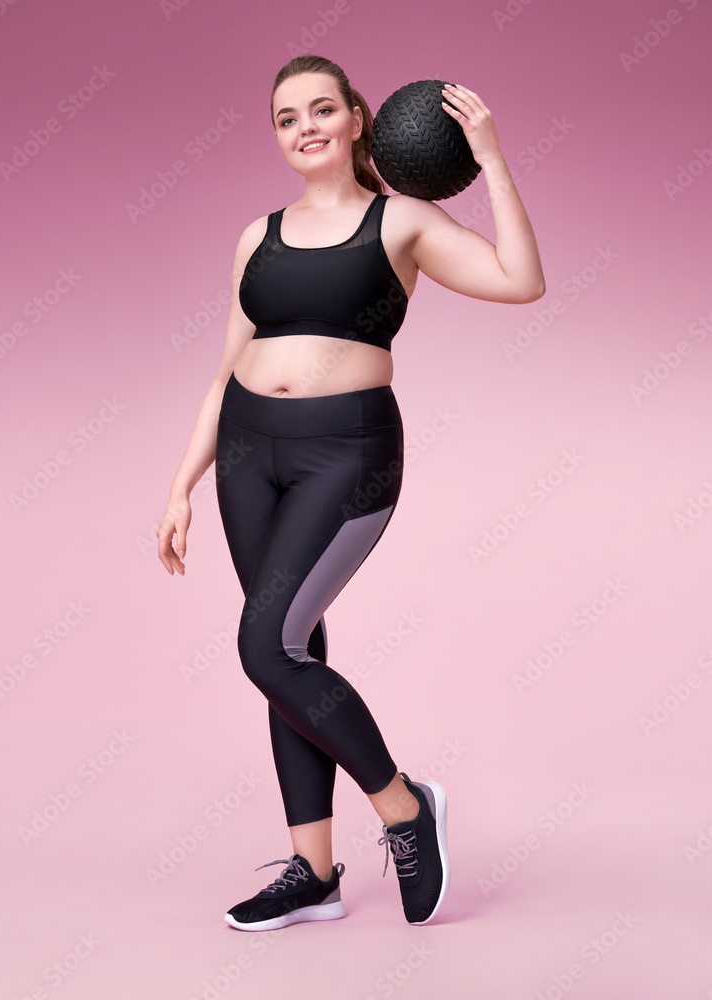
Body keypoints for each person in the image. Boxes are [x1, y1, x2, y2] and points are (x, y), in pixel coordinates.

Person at [157, 54, 545, 931]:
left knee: (267, 646)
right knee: (292, 658)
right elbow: (226, 368)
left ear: (359, 117)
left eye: (321, 108)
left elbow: (522, 282)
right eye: (287, 117)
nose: (306, 127)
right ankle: (315, 873)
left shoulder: (402, 221)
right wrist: (182, 482)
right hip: (249, 452)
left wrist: (490, 158)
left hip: (347, 453)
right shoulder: (256, 236)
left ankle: (405, 808)